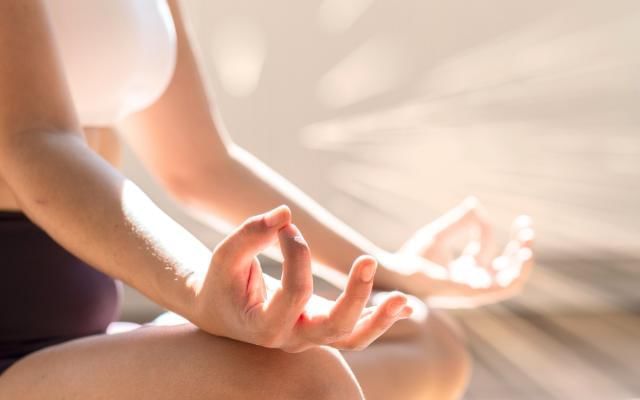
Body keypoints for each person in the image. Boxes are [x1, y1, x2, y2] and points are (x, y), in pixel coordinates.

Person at [0, 1, 534, 399]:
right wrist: (200, 290)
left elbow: (202, 166)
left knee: (423, 337)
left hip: (76, 335)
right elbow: (34, 141)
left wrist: (387, 272)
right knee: (301, 383)